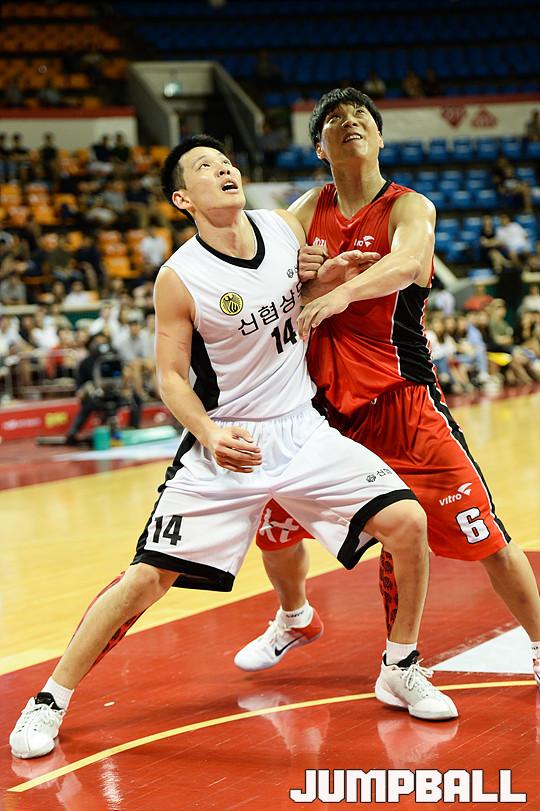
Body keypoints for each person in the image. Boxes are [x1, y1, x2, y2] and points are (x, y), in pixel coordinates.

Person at [9, 134, 458, 760]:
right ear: (182, 199)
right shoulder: (179, 277)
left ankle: (400, 665)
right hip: (228, 437)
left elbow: (293, 303)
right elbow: (170, 376)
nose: (224, 170)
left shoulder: (281, 229)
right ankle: (49, 699)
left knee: (408, 523)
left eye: (226, 162)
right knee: (145, 579)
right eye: (205, 167)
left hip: (301, 427)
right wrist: (209, 434)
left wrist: (326, 279)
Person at [231, 88, 540, 688]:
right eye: (335, 121)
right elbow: (263, 273)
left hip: (403, 402)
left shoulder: (408, 206)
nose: (349, 123)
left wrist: (342, 290)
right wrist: (298, 274)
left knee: (486, 538)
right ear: (320, 149)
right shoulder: (304, 211)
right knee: (274, 526)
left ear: (379, 138)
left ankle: (536, 639)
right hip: (321, 411)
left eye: (360, 118)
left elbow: (408, 263)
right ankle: (295, 617)